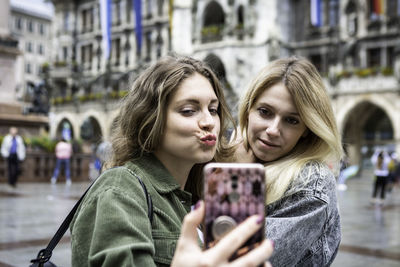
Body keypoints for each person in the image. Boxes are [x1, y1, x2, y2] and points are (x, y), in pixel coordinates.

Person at [70, 55, 273, 266]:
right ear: (151, 119)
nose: (208, 122)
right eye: (188, 111)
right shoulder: (121, 188)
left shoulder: (194, 197)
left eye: (213, 110)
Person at [233, 57, 343, 266]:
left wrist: (239, 177)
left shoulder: (311, 183)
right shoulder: (225, 158)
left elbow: (237, 258)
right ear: (248, 110)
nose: (273, 130)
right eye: (265, 112)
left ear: (306, 130)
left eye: (291, 120)